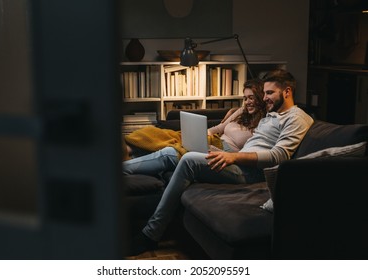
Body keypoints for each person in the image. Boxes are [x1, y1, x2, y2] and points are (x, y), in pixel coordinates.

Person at [128, 69, 314, 256]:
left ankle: (151, 234)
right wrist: (223, 150)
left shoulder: (297, 118)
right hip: (240, 161)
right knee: (183, 151)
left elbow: (278, 156)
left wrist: (233, 157)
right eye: (264, 93)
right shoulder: (273, 114)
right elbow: (253, 143)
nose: (264, 98)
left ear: (287, 91)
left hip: (253, 173)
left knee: (188, 160)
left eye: (269, 93)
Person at [123, 78, 266, 177]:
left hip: (223, 150)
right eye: (245, 98)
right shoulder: (242, 111)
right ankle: (127, 152)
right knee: (153, 133)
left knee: (170, 152)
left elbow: (249, 154)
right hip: (211, 139)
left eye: (251, 98)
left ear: (261, 97)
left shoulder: (266, 123)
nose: (247, 102)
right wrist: (199, 134)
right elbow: (220, 127)